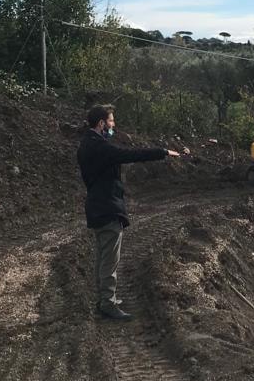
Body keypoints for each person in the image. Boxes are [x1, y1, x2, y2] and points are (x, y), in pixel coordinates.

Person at [77, 105, 182, 321]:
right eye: (111, 121)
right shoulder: (99, 147)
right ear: (101, 124)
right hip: (107, 208)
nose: (113, 125)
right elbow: (129, 154)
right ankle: (107, 303)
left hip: (98, 207)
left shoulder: (88, 144)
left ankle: (106, 299)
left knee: (103, 257)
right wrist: (162, 152)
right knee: (109, 260)